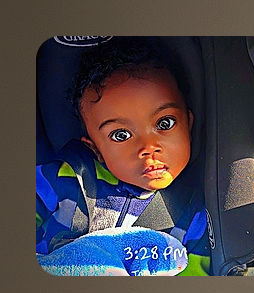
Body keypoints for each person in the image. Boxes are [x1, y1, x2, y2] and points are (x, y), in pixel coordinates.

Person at [36, 38, 210, 276]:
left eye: (165, 123)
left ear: (188, 125)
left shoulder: (198, 212)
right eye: (121, 135)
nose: (148, 147)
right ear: (96, 149)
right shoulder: (66, 177)